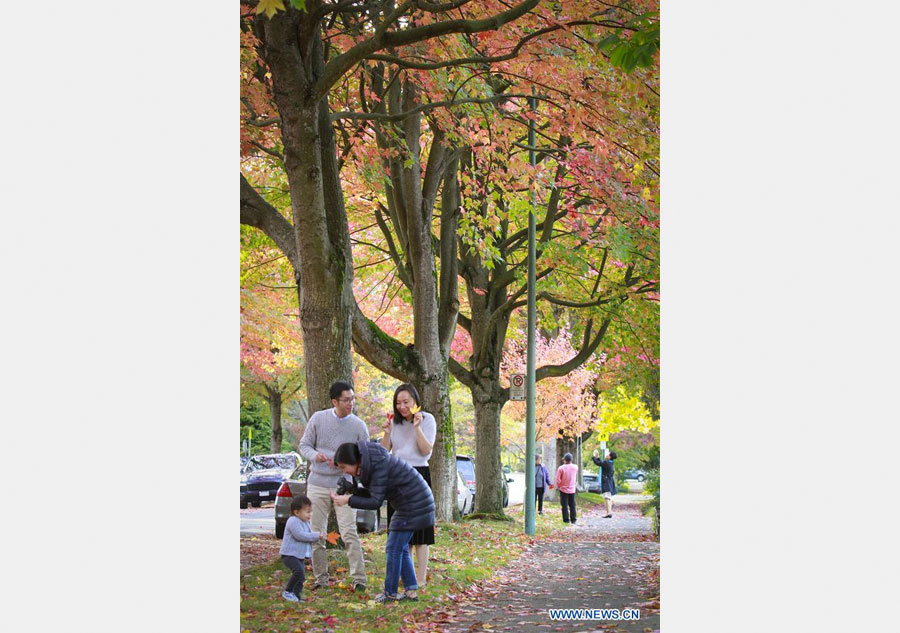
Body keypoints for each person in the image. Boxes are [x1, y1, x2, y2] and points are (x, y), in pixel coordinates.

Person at [331, 440, 435, 604]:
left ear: (354, 461)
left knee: (393, 548)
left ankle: (390, 594)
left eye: (344, 467)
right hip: (413, 503)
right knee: (400, 548)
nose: (344, 471)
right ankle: (411, 592)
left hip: (414, 504)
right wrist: (353, 490)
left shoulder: (378, 464)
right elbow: (375, 493)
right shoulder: (374, 462)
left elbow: (375, 502)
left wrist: (349, 500)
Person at [298, 381, 370, 592]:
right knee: (316, 533)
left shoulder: (359, 426)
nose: (351, 403)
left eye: (352, 399)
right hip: (318, 484)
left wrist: (350, 467)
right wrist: (315, 456)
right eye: (346, 400)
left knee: (349, 533)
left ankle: (359, 580)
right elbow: (304, 445)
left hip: (344, 486)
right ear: (334, 402)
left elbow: (366, 456)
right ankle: (321, 578)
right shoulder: (318, 419)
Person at [380, 383, 436, 586]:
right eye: (398, 403)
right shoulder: (394, 422)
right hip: (397, 475)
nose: (402, 406)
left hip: (419, 474)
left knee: (421, 532)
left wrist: (417, 427)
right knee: (400, 530)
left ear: (415, 401)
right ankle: (407, 577)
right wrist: (387, 432)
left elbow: (426, 451)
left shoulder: (427, 419)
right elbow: (383, 453)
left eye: (406, 402)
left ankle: (420, 579)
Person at [278, 495, 325, 602]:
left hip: (298, 555)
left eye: (310, 512)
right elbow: (300, 535)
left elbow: (308, 538)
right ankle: (288, 591)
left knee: (302, 576)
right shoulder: (293, 521)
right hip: (289, 555)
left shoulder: (305, 523)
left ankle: (297, 595)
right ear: (297, 512)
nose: (310, 514)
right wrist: (316, 535)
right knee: (298, 572)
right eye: (307, 512)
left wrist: (318, 538)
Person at [592, 449, 618, 518]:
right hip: (608, 482)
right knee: (607, 497)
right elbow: (601, 462)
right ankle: (608, 512)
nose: (606, 455)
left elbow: (598, 463)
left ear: (609, 457)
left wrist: (594, 456)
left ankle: (609, 513)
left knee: (607, 498)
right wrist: (597, 457)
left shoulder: (607, 463)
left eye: (608, 454)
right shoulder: (609, 463)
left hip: (607, 483)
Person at [555, 452, 579, 525]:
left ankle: (566, 519)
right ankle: (573, 519)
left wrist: (559, 486)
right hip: (572, 489)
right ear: (571, 459)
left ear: (564, 460)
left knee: (564, 505)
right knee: (572, 505)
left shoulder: (561, 468)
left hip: (563, 489)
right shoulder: (575, 467)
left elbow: (557, 479)